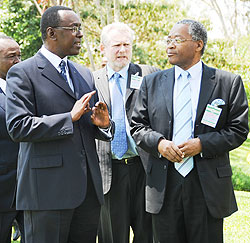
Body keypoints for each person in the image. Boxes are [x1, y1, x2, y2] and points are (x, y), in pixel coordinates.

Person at [130, 19, 249, 243]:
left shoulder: (227, 82)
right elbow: (137, 126)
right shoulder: (151, 82)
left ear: (198, 45)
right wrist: (160, 144)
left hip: (206, 186)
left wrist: (202, 144)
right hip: (164, 184)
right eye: (168, 40)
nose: (169, 45)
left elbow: (239, 129)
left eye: (177, 40)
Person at [5, 6, 114, 243]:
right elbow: (18, 126)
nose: (80, 34)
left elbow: (86, 126)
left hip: (88, 194)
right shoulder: (23, 73)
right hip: (47, 193)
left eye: (80, 28)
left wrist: (103, 125)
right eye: (73, 28)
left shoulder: (84, 73)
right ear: (51, 33)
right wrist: (68, 118)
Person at [93, 22, 159, 243]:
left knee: (147, 235)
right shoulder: (91, 80)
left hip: (145, 169)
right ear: (103, 48)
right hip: (109, 172)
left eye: (126, 45)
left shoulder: (150, 74)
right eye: (116, 45)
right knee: (112, 237)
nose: (122, 50)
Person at [0, 34, 25, 243]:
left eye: (20, 55)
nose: (18, 61)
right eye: (11, 57)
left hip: (30, 186)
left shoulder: (24, 87)